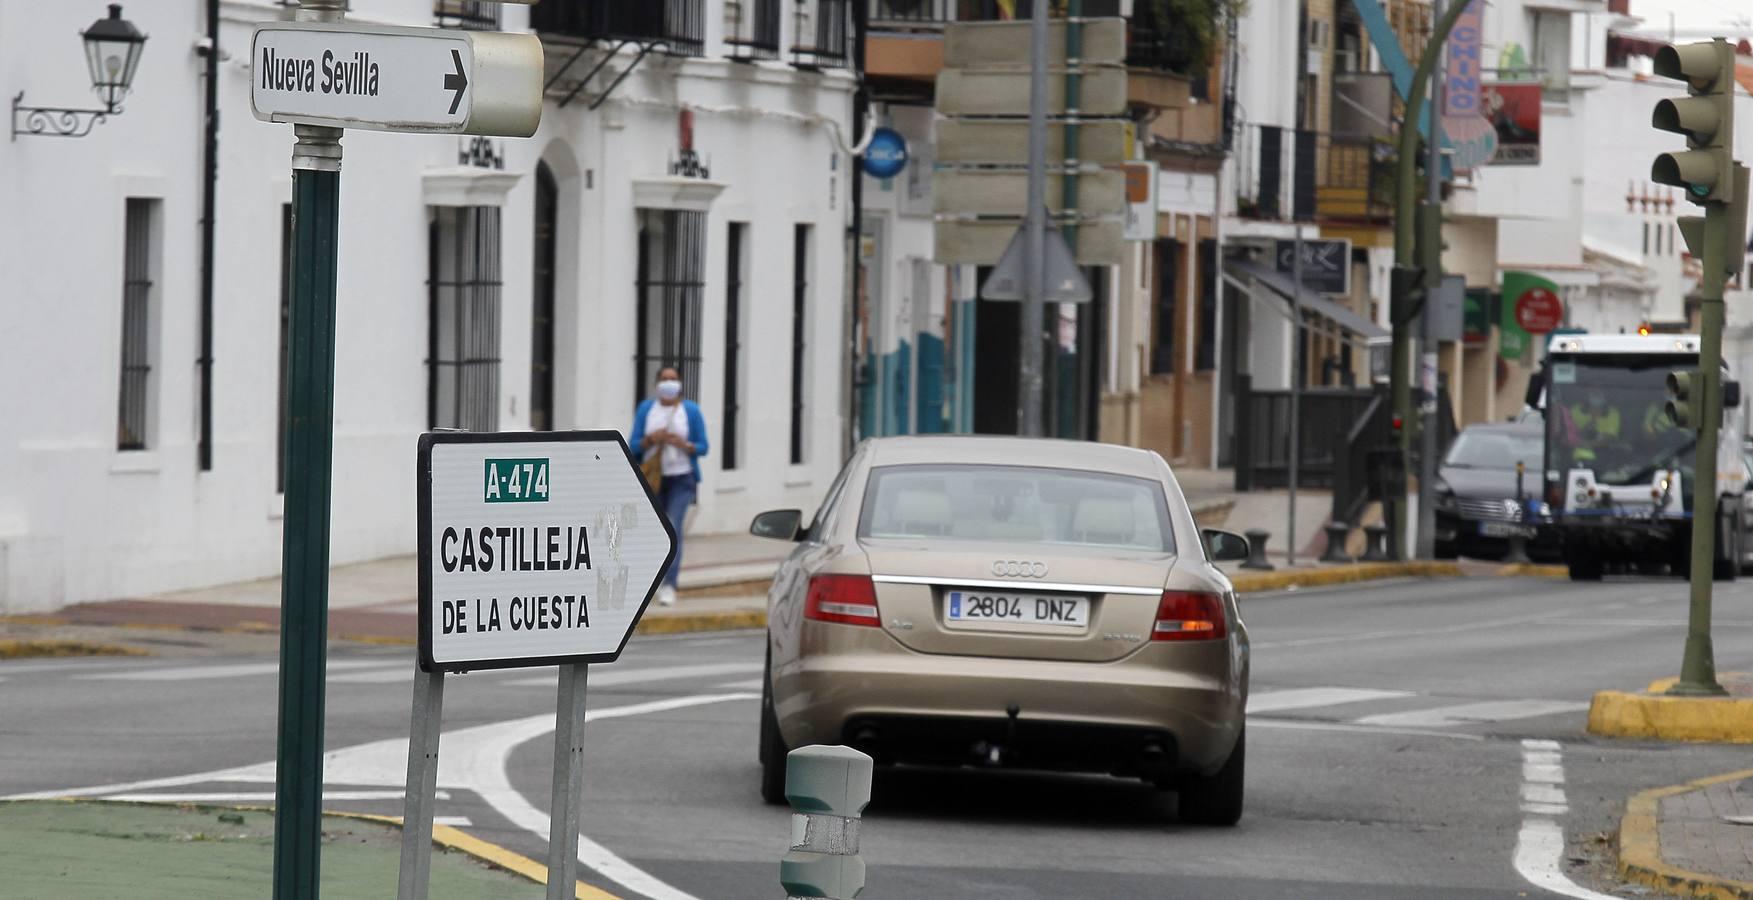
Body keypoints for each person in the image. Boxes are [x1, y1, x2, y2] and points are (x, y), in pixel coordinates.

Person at [631, 366, 709, 607]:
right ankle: (652, 581)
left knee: (673, 528)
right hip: (654, 480)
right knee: (655, 532)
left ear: (680, 384)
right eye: (664, 379)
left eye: (673, 379)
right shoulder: (647, 409)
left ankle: (670, 584)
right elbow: (632, 444)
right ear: (657, 384)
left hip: (681, 478)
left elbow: (703, 446)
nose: (669, 383)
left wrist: (683, 444)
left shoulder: (691, 411)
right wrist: (651, 439)